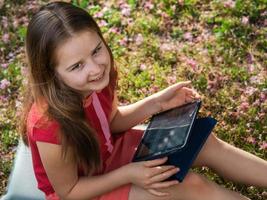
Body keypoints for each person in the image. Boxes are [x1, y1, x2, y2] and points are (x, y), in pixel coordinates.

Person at [19, 2, 267, 200]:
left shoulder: (96, 79)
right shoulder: (48, 125)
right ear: (51, 74)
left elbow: (112, 122)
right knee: (192, 185)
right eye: (77, 66)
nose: (95, 68)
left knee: (204, 142)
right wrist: (128, 175)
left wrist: (156, 104)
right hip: (85, 189)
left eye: (96, 50)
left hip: (107, 154)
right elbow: (69, 192)